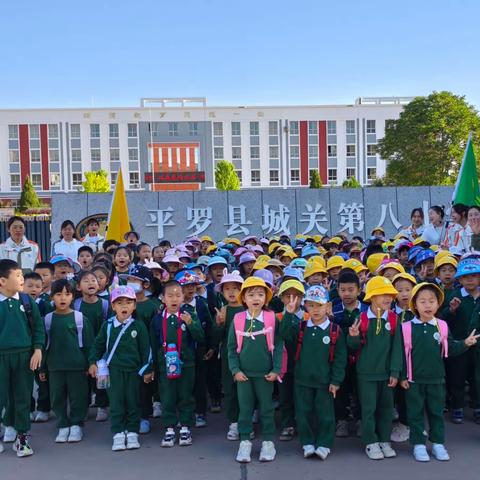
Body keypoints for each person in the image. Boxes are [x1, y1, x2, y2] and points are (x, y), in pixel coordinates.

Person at [400, 282, 479, 462]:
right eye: (423, 302)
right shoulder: (406, 327)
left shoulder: (442, 326)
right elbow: (401, 354)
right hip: (414, 380)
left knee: (436, 412)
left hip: (436, 379)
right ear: (415, 305)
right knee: (415, 412)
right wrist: (403, 376)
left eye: (432, 301)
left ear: (438, 304)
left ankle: (437, 443)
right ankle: (418, 444)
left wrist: (465, 344)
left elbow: (449, 348)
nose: (428, 305)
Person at [280, 285, 346, 460]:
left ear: (328, 306)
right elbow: (284, 333)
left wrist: (336, 381)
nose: (315, 310)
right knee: (303, 413)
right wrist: (289, 313)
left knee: (326, 415)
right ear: (305, 306)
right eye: (311, 305)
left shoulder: (334, 331)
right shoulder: (300, 327)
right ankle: (307, 442)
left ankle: (324, 443)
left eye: (319, 305)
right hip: (302, 381)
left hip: (325, 382)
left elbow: (340, 359)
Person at [89, 286, 153, 452]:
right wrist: (92, 362)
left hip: (134, 371)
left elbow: (146, 349)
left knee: (133, 401)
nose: (124, 306)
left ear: (134, 305)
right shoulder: (108, 325)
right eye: (120, 302)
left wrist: (147, 369)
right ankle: (118, 432)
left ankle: (132, 432)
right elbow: (98, 344)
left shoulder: (138, 326)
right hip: (113, 371)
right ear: (113, 306)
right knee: (116, 402)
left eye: (128, 302)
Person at [228, 277, 283, 463]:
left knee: (267, 409)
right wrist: (235, 370)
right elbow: (231, 348)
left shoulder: (271, 318)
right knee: (245, 410)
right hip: (244, 375)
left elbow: (278, 346)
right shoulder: (237, 319)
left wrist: (276, 370)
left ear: (266, 298)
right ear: (244, 298)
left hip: (265, 375)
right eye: (251, 294)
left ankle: (268, 443)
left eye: (260, 294)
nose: (255, 298)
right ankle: (245, 442)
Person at [347, 276, 402, 460]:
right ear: (371, 297)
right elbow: (353, 348)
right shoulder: (361, 318)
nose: (387, 298)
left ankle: (384, 440)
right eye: (381, 294)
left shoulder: (394, 319)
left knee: (386, 409)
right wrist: (353, 337)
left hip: (387, 374)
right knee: (368, 409)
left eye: (389, 295)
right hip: (366, 374)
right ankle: (370, 442)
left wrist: (395, 372)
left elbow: (397, 349)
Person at [150, 280, 205, 447]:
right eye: (170, 295)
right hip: (165, 364)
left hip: (186, 364)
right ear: (163, 298)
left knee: (185, 395)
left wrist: (191, 324)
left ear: (183, 298)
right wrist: (153, 365)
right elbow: (153, 343)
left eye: (178, 295)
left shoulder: (189, 315)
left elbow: (200, 338)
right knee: (167, 396)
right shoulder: (158, 319)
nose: (174, 299)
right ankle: (169, 428)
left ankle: (185, 427)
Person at [0, 259, 44, 457]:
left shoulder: (27, 301)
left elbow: (38, 329)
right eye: (17, 275)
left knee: (23, 396)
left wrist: (37, 349)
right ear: (2, 281)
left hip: (24, 356)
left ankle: (22, 438)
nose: (22, 278)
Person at [41, 279, 94, 443]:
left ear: (73, 296)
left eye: (67, 294)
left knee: (78, 396)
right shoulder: (47, 320)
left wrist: (90, 363)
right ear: (51, 297)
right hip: (55, 367)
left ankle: (76, 424)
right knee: (57, 396)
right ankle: (63, 424)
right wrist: (42, 368)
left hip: (77, 367)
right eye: (58, 294)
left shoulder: (79, 318)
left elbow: (89, 344)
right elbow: (43, 346)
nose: (63, 298)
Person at [439, 257, 480, 424]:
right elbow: (441, 319)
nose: (469, 280)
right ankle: (457, 406)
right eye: (465, 277)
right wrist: (451, 310)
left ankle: (477, 406)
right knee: (457, 376)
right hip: (459, 344)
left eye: (474, 276)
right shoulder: (455, 296)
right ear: (460, 279)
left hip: (478, 346)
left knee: (477, 377)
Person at [213, 270, 245, 440]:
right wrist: (219, 324)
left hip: (247, 357)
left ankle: (245, 420)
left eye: (236, 288)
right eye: (227, 289)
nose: (232, 292)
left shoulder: (249, 309)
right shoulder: (223, 311)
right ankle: (234, 422)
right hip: (228, 356)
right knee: (231, 389)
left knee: (246, 390)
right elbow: (215, 337)